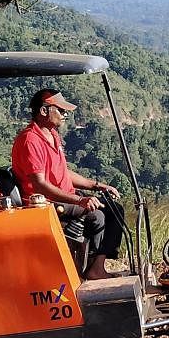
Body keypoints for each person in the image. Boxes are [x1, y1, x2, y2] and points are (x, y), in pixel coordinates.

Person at [11, 88, 123, 280]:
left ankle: (95, 266)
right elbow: (40, 185)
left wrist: (97, 186)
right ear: (44, 111)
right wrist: (80, 200)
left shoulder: (52, 134)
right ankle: (94, 270)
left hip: (61, 197)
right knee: (99, 214)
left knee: (115, 209)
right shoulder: (30, 140)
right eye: (60, 110)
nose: (65, 114)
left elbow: (63, 171)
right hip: (45, 203)